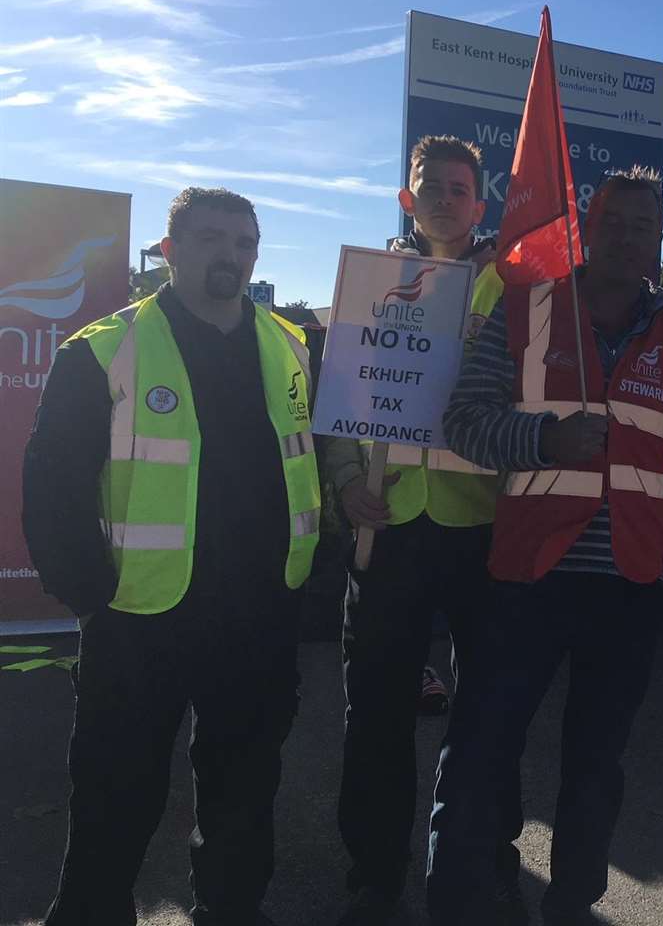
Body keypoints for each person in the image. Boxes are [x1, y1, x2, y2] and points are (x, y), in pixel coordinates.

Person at [22, 187, 321, 926]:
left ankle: (230, 911)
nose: (231, 256)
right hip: (140, 615)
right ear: (171, 250)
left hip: (258, 613)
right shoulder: (103, 349)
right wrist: (89, 593)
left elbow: (311, 460)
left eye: (244, 243)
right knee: (115, 797)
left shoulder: (291, 346)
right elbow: (51, 486)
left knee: (244, 794)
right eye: (212, 239)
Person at [428, 167, 663, 926]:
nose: (628, 237)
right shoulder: (528, 310)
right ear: (590, 226)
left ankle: (570, 908)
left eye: (643, 226)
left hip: (631, 585)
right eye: (613, 222)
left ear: (661, 238)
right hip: (526, 577)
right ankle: (458, 902)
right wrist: (544, 438)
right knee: (483, 753)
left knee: (596, 769)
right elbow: (463, 422)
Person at [323, 135, 516, 925]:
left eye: (459, 187)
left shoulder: (514, 287)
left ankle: (482, 856)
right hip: (390, 522)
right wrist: (342, 482)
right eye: (429, 185)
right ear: (408, 198)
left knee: (490, 713)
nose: (443, 197)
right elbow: (339, 390)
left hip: (485, 530)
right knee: (376, 710)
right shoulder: (371, 280)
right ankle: (375, 869)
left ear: (480, 202)